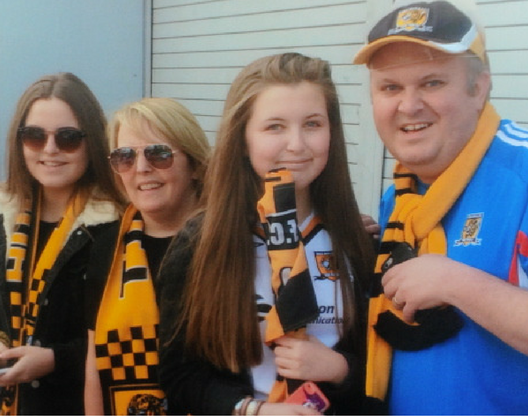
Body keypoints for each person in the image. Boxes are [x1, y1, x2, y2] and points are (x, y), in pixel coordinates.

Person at [353, 0, 528, 414]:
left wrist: (456, 283)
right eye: (390, 87)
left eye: (432, 83)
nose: (409, 105)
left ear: (479, 88)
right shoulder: (397, 202)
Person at [157, 52, 378, 415]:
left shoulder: (357, 240)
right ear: (243, 139)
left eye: (312, 124)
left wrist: (341, 370)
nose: (296, 144)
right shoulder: (201, 243)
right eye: (274, 127)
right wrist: (252, 411)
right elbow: (179, 375)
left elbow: (390, 368)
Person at [0, 72, 125, 415]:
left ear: (91, 141)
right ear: (19, 142)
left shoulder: (116, 224)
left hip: (82, 404)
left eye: (68, 138)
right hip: (10, 405)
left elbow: (130, 335)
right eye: (34, 136)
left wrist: (54, 359)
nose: (50, 150)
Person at [83, 97, 210, 415]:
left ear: (194, 165)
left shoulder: (229, 243)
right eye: (125, 156)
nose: (141, 168)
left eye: (159, 153)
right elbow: (93, 364)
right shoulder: (106, 247)